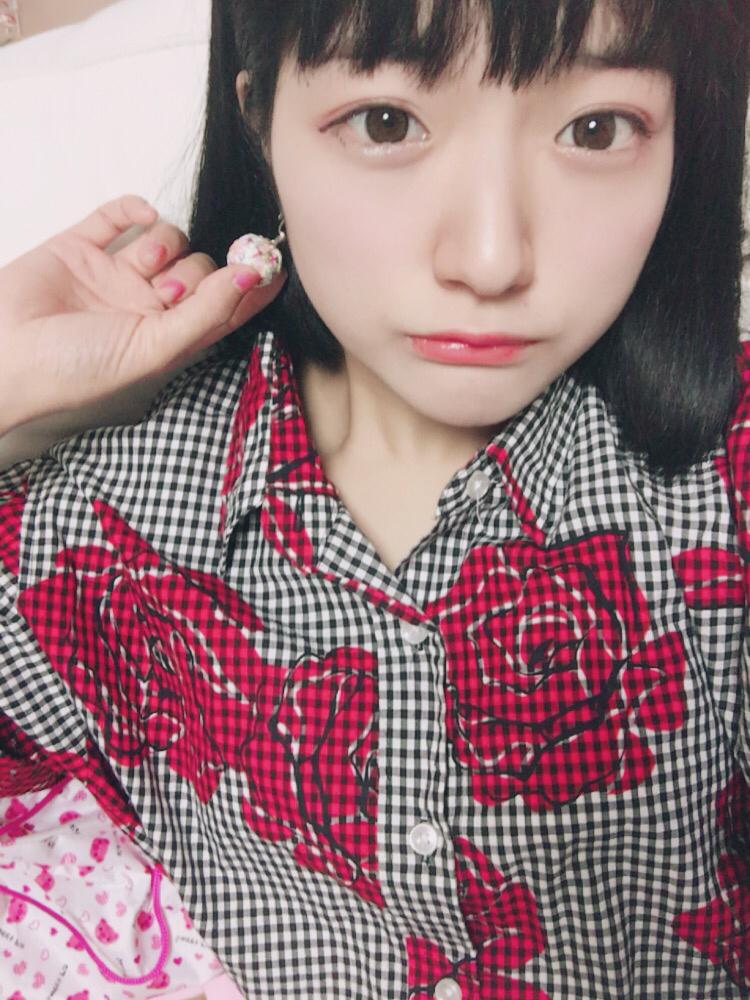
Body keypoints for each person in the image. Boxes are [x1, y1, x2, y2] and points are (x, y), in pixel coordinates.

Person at [0, 0, 748, 997]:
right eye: (387, 123)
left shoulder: (720, 497)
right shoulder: (97, 520)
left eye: (596, 129)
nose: (490, 259)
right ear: (261, 124)